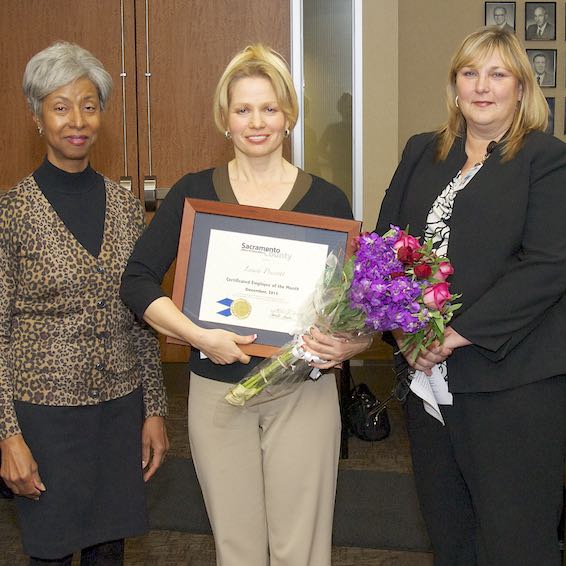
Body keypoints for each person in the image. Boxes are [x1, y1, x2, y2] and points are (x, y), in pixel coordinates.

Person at [120, 44, 371, 566]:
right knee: (236, 548)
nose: (257, 122)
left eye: (269, 108)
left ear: (289, 117)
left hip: (304, 391)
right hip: (218, 394)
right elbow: (137, 282)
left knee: (299, 548)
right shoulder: (193, 196)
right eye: (243, 109)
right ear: (225, 119)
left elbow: (357, 310)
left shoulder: (327, 201)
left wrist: (349, 343)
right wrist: (196, 334)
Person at [376, 28, 566, 565]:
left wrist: (453, 335)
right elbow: (386, 247)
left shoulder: (547, 160)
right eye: (470, 73)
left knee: (514, 542)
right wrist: (403, 330)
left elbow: (549, 265)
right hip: (426, 381)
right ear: (455, 84)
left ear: (521, 88)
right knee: (450, 534)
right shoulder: (422, 151)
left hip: (513, 385)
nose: (482, 87)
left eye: (497, 74)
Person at [0, 42, 169, 565]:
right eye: (60, 106)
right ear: (36, 116)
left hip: (119, 410)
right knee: (49, 554)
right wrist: (7, 435)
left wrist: (156, 409)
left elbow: (142, 314)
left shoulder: (124, 207)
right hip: (43, 418)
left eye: (89, 105)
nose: (77, 120)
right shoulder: (12, 212)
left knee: (109, 551)